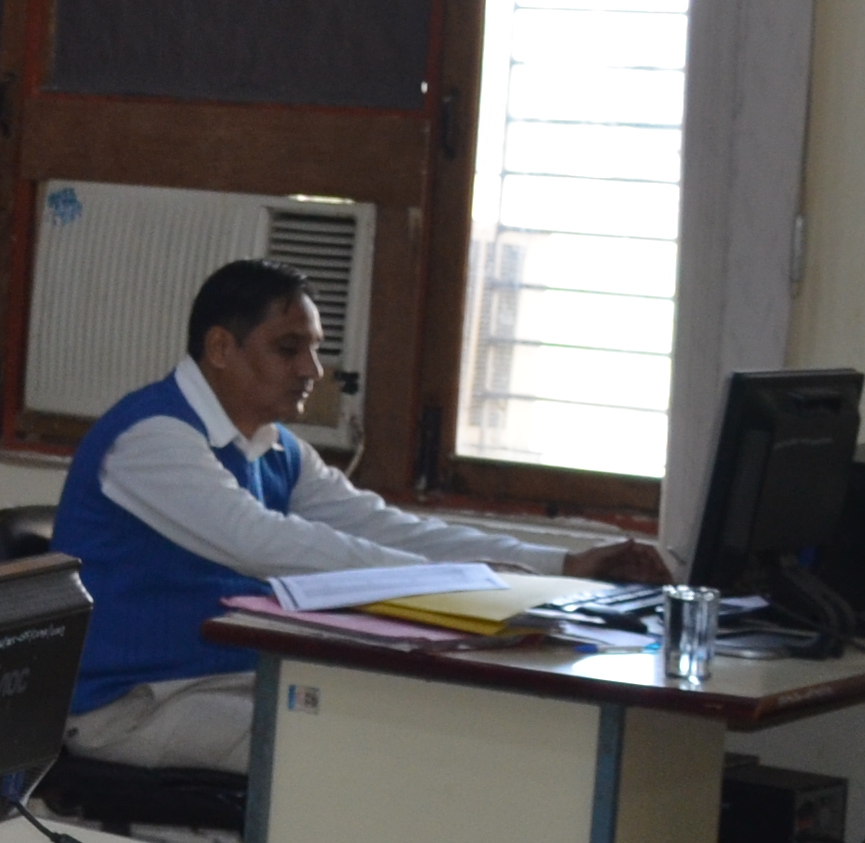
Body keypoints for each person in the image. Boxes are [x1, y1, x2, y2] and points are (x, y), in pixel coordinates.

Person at [56, 256, 672, 774]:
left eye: (315, 350)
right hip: (134, 704)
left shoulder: (276, 447)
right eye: (288, 349)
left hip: (232, 676)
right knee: (360, 754)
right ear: (220, 348)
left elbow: (379, 526)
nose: (312, 370)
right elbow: (263, 542)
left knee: (406, 726)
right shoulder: (152, 438)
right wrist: (457, 585)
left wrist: (560, 564)